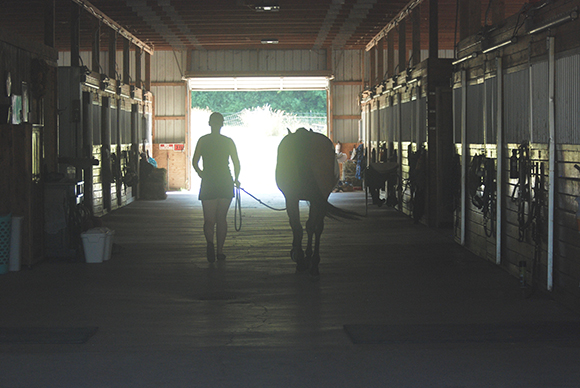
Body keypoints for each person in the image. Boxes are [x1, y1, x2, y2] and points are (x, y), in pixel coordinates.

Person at [192, 112, 240, 263]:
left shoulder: (203, 140)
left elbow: (195, 162)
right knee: (222, 219)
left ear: (209, 123)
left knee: (209, 220)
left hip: (209, 182)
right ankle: (220, 251)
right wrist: (236, 179)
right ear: (222, 124)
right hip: (225, 181)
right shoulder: (228, 141)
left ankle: (210, 244)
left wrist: (201, 174)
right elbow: (236, 163)